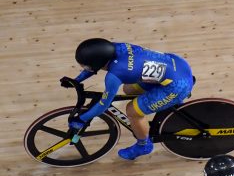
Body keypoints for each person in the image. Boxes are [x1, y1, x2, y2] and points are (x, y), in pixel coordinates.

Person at [61, 38, 194, 160]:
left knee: (132, 111)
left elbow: (103, 105)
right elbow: (94, 65)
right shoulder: (116, 47)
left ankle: (143, 145)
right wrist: (76, 80)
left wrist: (81, 119)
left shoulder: (114, 76)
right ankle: (163, 100)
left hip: (177, 85)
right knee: (129, 89)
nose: (86, 69)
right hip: (178, 64)